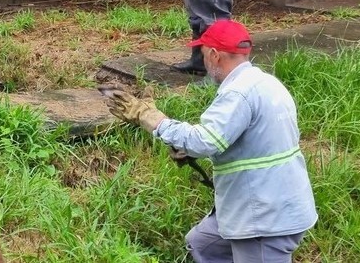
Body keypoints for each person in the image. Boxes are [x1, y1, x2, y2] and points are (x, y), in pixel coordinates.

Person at [104, 19, 317, 263]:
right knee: (204, 245)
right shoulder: (267, 83)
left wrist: (152, 119)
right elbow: (253, 141)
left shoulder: (238, 93)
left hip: (263, 219)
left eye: (203, 53)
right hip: (274, 202)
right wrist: (190, 151)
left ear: (215, 55)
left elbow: (205, 141)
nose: (203, 61)